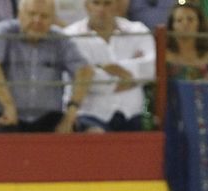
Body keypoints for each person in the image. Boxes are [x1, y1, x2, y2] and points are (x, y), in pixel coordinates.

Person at [0, 0, 94, 131]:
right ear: (19, 15)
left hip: (48, 116)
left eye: (44, 16)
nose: (37, 21)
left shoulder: (59, 38)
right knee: (1, 134)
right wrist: (8, 105)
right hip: (4, 112)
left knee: (75, 133)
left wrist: (71, 113)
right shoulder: (4, 30)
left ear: (53, 19)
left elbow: (85, 71)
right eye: (31, 14)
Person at [65, 0, 155, 129]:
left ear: (117, 5)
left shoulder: (138, 30)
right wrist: (129, 76)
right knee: (94, 136)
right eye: (96, 3)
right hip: (89, 113)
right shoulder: (70, 36)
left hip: (132, 113)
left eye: (107, 3)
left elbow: (150, 69)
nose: (101, 9)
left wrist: (107, 68)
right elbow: (79, 78)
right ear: (86, 5)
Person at [164, 0, 208, 81]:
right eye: (179, 20)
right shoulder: (163, 58)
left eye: (190, 19)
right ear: (172, 27)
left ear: (199, 24)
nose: (185, 23)